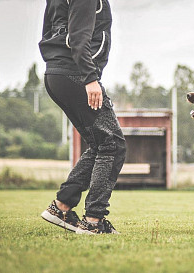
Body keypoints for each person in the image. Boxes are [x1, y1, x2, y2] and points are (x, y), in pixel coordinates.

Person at [38, 0, 126, 234]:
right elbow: (78, 39)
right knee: (112, 145)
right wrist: (89, 78)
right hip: (76, 73)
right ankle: (93, 221)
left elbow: (47, 32)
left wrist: (56, 64)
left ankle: (62, 206)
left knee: (100, 144)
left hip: (55, 73)